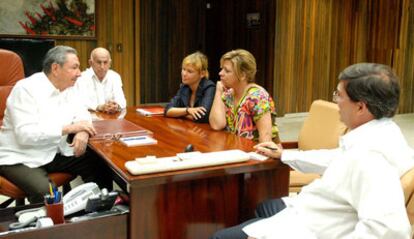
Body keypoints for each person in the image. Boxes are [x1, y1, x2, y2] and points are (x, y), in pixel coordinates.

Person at [211, 63, 414, 239]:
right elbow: (336, 159)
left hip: (316, 227)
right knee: (264, 208)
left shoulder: (371, 158)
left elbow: (388, 232)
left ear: (361, 107)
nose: (336, 101)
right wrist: (284, 154)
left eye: (339, 95)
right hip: (319, 213)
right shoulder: (383, 134)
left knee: (221, 236)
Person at [0, 46, 112, 204]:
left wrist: (83, 132)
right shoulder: (26, 89)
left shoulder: (70, 86)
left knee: (99, 163)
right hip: (19, 157)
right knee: (49, 195)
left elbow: (82, 111)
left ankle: (101, 212)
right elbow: (26, 135)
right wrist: (71, 128)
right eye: (74, 67)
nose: (79, 73)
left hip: (51, 151)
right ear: (55, 68)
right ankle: (50, 226)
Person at [209, 49, 280, 143]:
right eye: (221, 69)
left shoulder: (257, 97)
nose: (220, 73)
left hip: (256, 153)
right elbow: (217, 125)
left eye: (226, 70)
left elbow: (265, 139)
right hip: (236, 152)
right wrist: (218, 92)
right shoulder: (228, 95)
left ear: (242, 75)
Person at [164, 51, 216, 123]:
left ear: (202, 74)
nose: (184, 74)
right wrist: (188, 110)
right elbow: (167, 110)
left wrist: (179, 114)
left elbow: (202, 117)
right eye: (183, 69)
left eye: (189, 71)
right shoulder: (184, 87)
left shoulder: (209, 87)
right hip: (190, 129)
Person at [75, 47, 126, 114]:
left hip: (111, 119)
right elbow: (80, 102)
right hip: (89, 120)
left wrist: (116, 106)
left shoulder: (115, 76)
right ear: (90, 63)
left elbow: (122, 101)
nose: (102, 66)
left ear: (110, 63)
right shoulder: (82, 78)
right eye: (99, 62)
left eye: (105, 62)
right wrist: (99, 107)